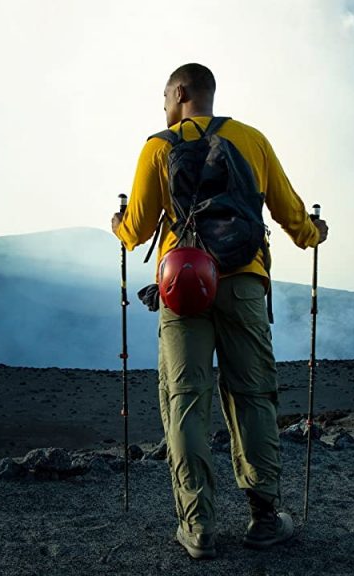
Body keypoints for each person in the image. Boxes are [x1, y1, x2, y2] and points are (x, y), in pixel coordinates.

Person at [111, 62, 328, 560]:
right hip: (243, 283)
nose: (163, 106)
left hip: (182, 284)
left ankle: (199, 526)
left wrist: (118, 224)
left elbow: (138, 229)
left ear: (182, 92)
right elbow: (289, 212)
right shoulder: (251, 139)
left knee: (186, 398)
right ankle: (265, 517)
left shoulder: (158, 147)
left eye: (165, 96)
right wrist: (314, 234)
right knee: (252, 394)